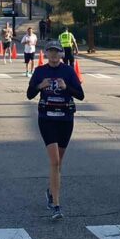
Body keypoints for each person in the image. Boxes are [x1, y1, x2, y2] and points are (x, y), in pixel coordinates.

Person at [26, 41, 84, 221]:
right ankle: (56, 205)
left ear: (61, 54)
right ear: (46, 53)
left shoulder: (68, 71)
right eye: (50, 52)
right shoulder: (40, 71)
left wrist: (67, 87)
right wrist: (39, 86)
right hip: (47, 118)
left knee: (59, 163)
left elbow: (80, 95)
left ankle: (51, 189)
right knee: (55, 161)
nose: (53, 55)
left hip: (65, 118)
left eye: (56, 52)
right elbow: (29, 94)